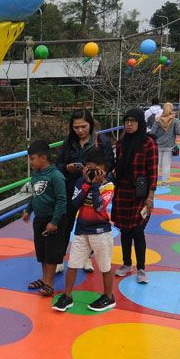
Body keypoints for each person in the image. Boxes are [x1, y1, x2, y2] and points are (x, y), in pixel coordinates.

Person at [53, 148, 116, 313]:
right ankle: (67, 296)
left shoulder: (108, 186)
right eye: (89, 167)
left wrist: (95, 185)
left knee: (104, 265)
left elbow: (99, 207)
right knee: (73, 263)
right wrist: (88, 183)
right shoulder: (81, 182)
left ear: (105, 170)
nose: (92, 171)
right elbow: (75, 203)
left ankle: (108, 296)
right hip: (81, 230)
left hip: (101, 232)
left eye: (96, 168)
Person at [56, 108, 115, 273]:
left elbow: (110, 164)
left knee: (88, 224)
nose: (80, 130)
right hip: (70, 188)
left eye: (83, 126)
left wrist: (98, 177)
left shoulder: (101, 141)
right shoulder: (68, 143)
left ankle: (87, 258)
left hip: (92, 189)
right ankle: (60, 259)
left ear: (90, 124)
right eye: (76, 127)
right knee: (65, 223)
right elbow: (58, 164)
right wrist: (67, 168)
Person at [112, 108, 156, 284]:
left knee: (138, 231)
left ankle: (141, 269)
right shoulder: (121, 143)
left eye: (133, 121)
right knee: (125, 230)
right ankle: (126, 264)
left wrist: (150, 197)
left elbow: (153, 172)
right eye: (126, 121)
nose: (129, 124)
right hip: (122, 191)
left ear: (140, 122)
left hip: (141, 194)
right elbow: (118, 167)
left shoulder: (148, 143)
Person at [21, 140, 66, 297]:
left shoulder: (56, 176)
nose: (30, 162)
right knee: (41, 251)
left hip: (51, 220)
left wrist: (54, 221)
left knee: (51, 252)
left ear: (43, 158)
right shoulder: (36, 175)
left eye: (32, 158)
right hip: (39, 220)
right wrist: (28, 210)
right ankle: (44, 278)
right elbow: (35, 195)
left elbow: (62, 200)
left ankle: (50, 282)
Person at [152, 103, 180, 187]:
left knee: (157, 165)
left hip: (158, 145)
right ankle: (164, 183)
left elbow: (152, 133)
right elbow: (179, 132)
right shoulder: (175, 120)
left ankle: (154, 182)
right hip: (170, 146)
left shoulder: (158, 120)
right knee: (166, 165)